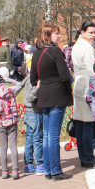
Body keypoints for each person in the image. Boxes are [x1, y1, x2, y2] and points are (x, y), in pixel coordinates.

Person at [30, 23, 73, 180]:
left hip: (44, 96)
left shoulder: (37, 53)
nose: (59, 36)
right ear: (48, 36)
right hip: (56, 95)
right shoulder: (55, 51)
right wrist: (69, 92)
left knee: (48, 134)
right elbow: (64, 76)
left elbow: (33, 78)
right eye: (56, 34)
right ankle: (55, 170)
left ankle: (48, 169)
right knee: (52, 135)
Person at [71, 20, 95, 168]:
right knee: (87, 123)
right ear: (83, 32)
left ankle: (83, 155)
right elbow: (92, 69)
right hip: (87, 83)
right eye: (90, 32)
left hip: (79, 83)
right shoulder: (87, 48)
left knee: (81, 123)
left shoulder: (77, 45)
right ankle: (88, 156)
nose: (93, 35)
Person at [0, 72, 24, 179]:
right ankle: (15, 170)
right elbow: (19, 85)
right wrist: (7, 79)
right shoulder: (10, 90)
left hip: (1, 122)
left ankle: (4, 171)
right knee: (13, 146)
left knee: (3, 147)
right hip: (12, 121)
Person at [22, 65, 44, 174]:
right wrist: (38, 87)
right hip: (34, 112)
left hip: (30, 111)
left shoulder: (29, 77)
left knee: (30, 138)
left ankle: (29, 164)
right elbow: (30, 97)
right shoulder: (33, 79)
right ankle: (39, 164)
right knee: (37, 138)